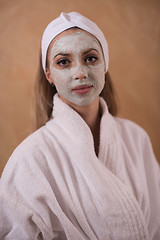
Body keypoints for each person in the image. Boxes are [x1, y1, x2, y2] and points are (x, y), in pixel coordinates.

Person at [0, 12, 159, 240]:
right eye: (64, 62)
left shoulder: (136, 138)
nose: (80, 73)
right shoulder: (29, 160)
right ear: (49, 74)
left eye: (91, 58)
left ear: (105, 64)